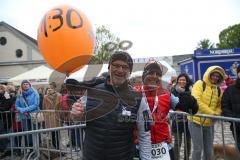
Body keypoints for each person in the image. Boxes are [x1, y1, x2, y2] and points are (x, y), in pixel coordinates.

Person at [71, 51, 151, 160]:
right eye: (116, 65)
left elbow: (145, 136)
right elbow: (76, 117)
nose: (120, 70)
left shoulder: (139, 99)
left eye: (125, 67)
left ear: (130, 72)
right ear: (109, 68)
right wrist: (75, 114)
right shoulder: (91, 92)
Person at [135, 61, 198, 160]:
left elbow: (185, 107)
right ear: (144, 75)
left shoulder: (166, 94)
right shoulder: (134, 93)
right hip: (139, 146)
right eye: (151, 73)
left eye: (158, 74)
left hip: (164, 146)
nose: (155, 76)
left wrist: (189, 101)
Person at [188, 66, 225, 160]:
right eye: (213, 75)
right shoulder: (200, 84)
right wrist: (212, 113)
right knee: (197, 149)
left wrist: (216, 113)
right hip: (195, 121)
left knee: (208, 150)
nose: (215, 77)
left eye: (217, 76)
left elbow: (219, 105)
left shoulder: (218, 89)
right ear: (209, 74)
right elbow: (197, 101)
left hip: (209, 123)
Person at [170, 73, 193, 160]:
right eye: (180, 79)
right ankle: (176, 158)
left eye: (184, 80)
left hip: (189, 119)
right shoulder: (173, 90)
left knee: (188, 141)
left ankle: (186, 158)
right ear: (177, 81)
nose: (182, 81)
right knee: (177, 142)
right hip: (177, 119)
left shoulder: (191, 90)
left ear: (187, 81)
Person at [15, 80, 40, 148]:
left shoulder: (35, 93)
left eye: (26, 84)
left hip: (34, 116)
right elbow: (16, 106)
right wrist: (21, 110)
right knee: (27, 133)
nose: (25, 85)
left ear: (29, 85)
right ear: (22, 86)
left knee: (36, 133)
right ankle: (30, 149)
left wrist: (24, 110)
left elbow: (36, 104)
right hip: (24, 117)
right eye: (24, 84)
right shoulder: (19, 94)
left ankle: (38, 148)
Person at [222, 65, 240, 151]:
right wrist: (235, 120)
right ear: (238, 74)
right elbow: (225, 107)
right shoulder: (230, 90)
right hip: (237, 127)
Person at [42, 82, 62, 149]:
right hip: (49, 116)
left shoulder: (59, 95)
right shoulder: (45, 96)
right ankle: (54, 146)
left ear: (54, 88)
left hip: (56, 116)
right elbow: (44, 107)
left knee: (57, 132)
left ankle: (58, 146)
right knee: (52, 132)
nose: (50, 89)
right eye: (49, 87)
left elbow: (60, 106)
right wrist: (45, 116)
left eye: (51, 87)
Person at [0, 84, 14, 158]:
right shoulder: (2, 95)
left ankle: (6, 150)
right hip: (3, 118)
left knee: (5, 135)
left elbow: (6, 105)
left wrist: (1, 109)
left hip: (5, 118)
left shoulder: (6, 95)